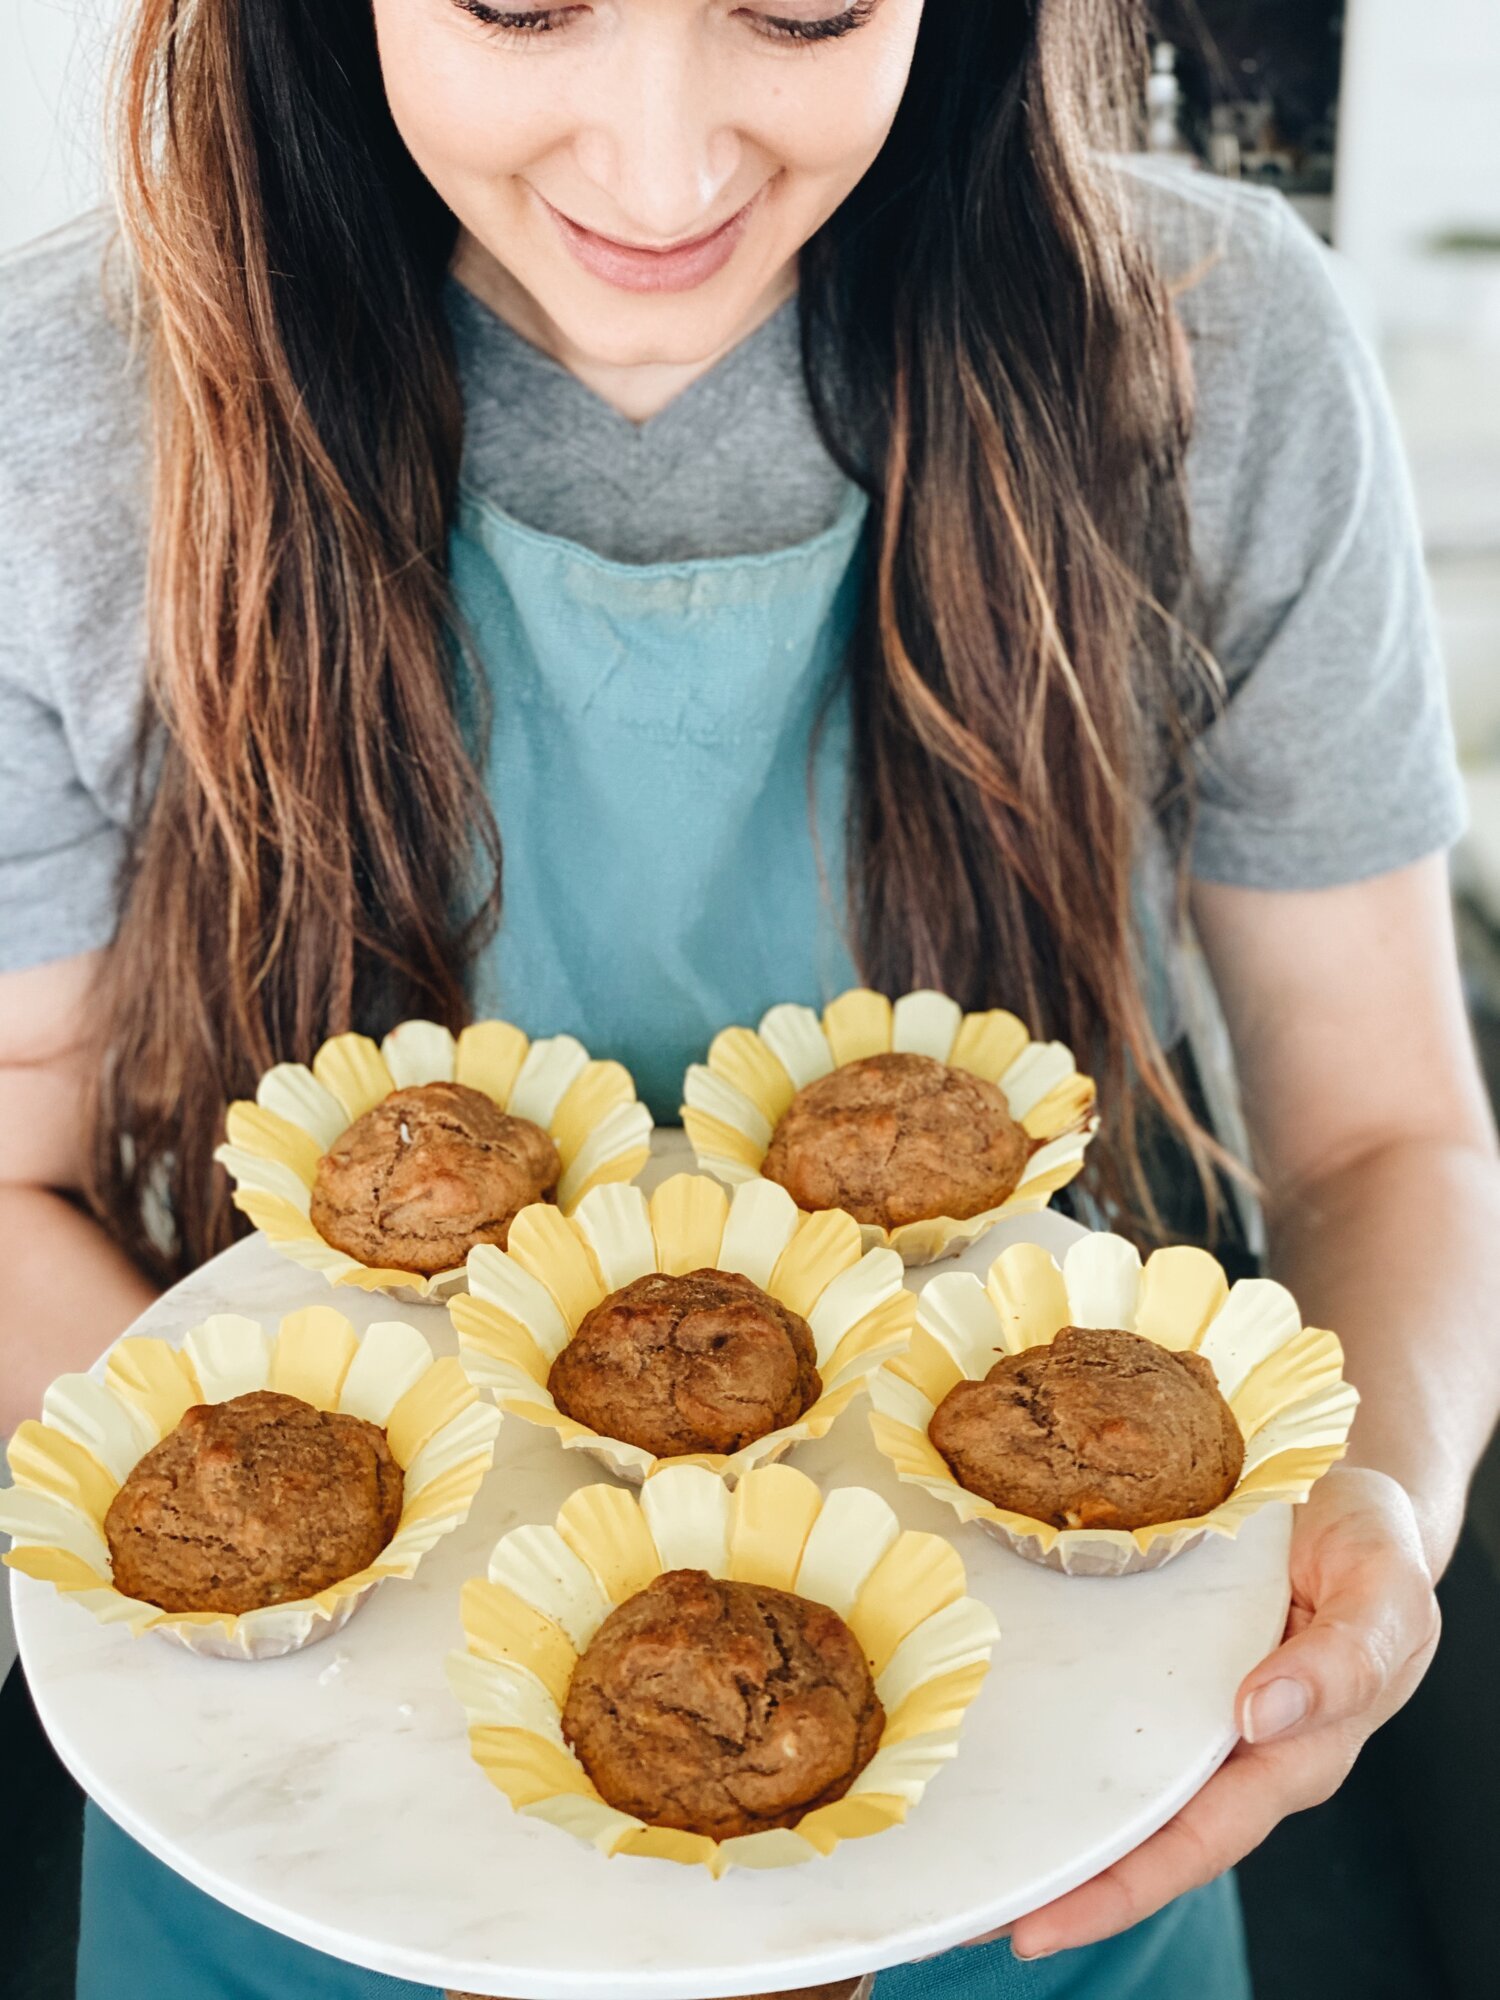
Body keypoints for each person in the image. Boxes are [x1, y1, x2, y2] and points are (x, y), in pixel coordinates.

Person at [1, 1, 1494, 1995]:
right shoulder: (71, 416)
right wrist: (424, 1727)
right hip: (302, 1847)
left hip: (1058, 1841)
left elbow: (1384, 1127)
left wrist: (1379, 1494)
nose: (660, 161)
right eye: (520, 1)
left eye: (801, 7)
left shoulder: (1220, 351)